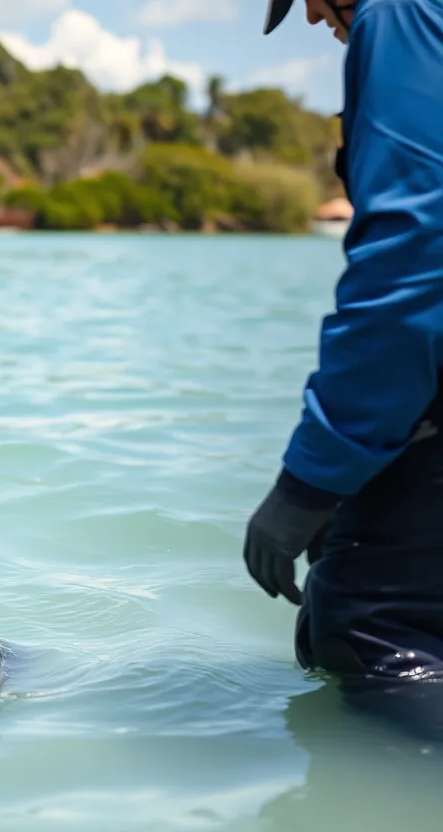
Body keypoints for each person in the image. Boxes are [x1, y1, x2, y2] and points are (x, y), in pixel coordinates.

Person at [245, 0, 443, 686]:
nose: (306, 14)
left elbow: (414, 261)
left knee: (368, 628)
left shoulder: (401, 12)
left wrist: (310, 484)